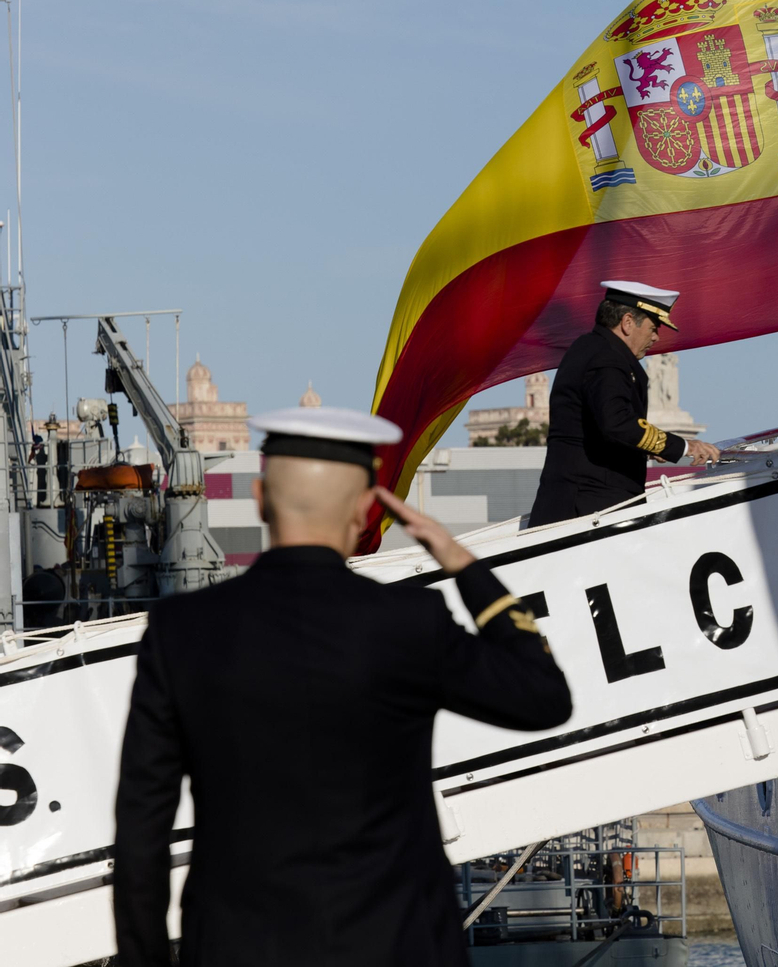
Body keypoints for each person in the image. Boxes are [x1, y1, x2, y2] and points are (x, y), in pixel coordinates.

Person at [113, 406, 571, 967]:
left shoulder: (180, 632)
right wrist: (460, 561)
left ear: (261, 499)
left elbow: (141, 830)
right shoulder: (409, 623)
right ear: (363, 511)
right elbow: (543, 697)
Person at [528, 281, 720, 525]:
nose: (656, 337)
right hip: (591, 509)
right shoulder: (606, 358)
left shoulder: (592, 348)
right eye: (653, 327)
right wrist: (684, 447)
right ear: (628, 322)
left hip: (584, 504)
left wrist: (651, 446)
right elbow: (617, 422)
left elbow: (601, 427)